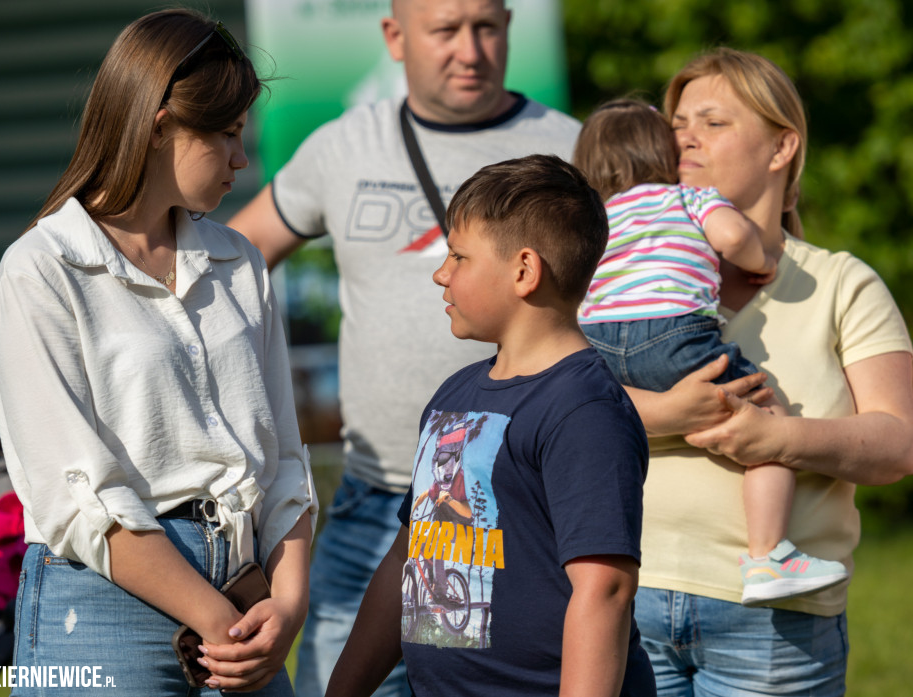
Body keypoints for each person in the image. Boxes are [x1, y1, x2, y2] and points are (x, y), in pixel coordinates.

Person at [228, 1, 582, 694]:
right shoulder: (344, 145)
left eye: (486, 27)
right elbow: (233, 261)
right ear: (395, 37)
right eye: (445, 30)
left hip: (512, 512)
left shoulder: (570, 148)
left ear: (511, 27)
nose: (470, 49)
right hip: (373, 506)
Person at [0, 9, 316, 696]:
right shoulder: (41, 270)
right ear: (161, 126)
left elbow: (284, 455)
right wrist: (219, 619)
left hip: (249, 598)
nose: (241, 159)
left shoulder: (240, 263)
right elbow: (79, 495)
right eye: (225, 135)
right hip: (107, 604)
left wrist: (288, 604)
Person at [622, 47, 913, 696]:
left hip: (773, 625)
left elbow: (899, 442)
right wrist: (674, 413)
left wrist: (779, 441)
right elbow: (560, 403)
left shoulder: (842, 283)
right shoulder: (614, 274)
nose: (685, 136)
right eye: (677, 123)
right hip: (623, 603)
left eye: (713, 122)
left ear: (782, 148)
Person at [324, 154, 654, 697]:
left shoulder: (585, 409)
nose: (441, 273)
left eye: (459, 256)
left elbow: (606, 591)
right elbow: (412, 554)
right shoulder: (455, 393)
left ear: (524, 270)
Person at [573, 98, 848, 607]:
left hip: (600, 343)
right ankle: (768, 556)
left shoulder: (594, 220)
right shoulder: (687, 197)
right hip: (673, 334)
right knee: (769, 418)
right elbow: (731, 234)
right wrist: (760, 258)